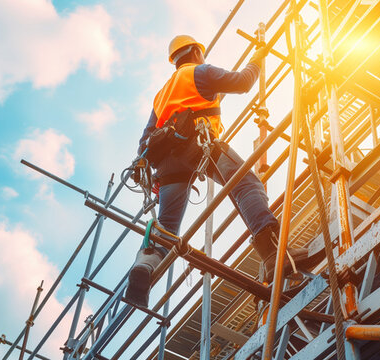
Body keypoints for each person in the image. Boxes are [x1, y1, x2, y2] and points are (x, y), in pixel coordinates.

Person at [124, 35, 322, 307]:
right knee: (246, 185)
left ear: (175, 59)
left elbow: (144, 141)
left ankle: (144, 266)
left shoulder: (161, 95)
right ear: (195, 51)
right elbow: (243, 82)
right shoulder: (199, 72)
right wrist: (257, 58)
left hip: (167, 164)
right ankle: (273, 254)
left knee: (167, 227)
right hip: (198, 143)